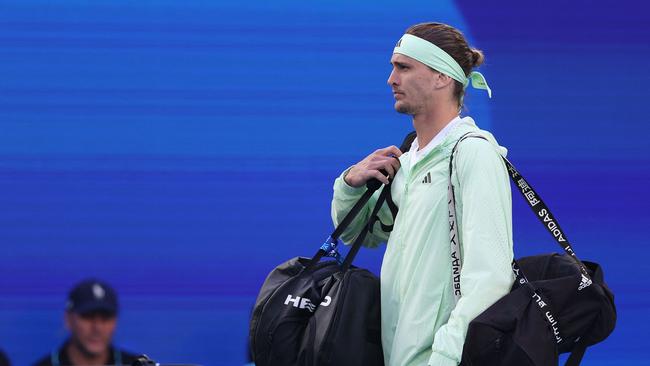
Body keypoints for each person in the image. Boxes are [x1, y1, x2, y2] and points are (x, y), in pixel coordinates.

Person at [330, 22, 515, 366]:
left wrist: (444, 357)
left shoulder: (473, 154)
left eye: (404, 67)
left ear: (442, 77)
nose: (391, 79)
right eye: (392, 67)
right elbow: (359, 235)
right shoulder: (408, 159)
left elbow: (491, 279)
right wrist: (349, 184)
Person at [33, 279, 139, 366]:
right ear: (68, 319)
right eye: (88, 317)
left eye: (105, 318)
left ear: (115, 321)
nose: (97, 328)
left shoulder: (135, 364)